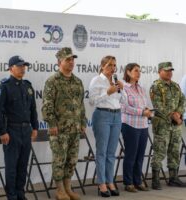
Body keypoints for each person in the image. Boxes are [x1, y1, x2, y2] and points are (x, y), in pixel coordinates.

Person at [42, 47, 86, 200]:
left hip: (74, 128)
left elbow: (81, 105)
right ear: (59, 62)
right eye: (68, 59)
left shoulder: (77, 81)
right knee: (59, 159)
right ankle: (59, 189)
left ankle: (68, 187)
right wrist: (52, 123)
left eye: (72, 59)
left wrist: (83, 122)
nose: (71, 62)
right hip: (59, 129)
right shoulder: (52, 81)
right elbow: (47, 105)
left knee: (72, 159)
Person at [0, 55, 38, 200]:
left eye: (24, 66)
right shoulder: (4, 87)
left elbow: (33, 109)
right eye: (19, 66)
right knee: (11, 167)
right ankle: (11, 195)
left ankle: (20, 193)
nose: (22, 69)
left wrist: (35, 127)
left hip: (26, 130)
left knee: (23, 165)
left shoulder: (28, 86)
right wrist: (3, 132)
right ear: (11, 68)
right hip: (11, 130)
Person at [89, 55, 123, 197]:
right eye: (109, 65)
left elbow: (122, 100)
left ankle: (110, 181)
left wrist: (121, 89)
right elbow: (92, 100)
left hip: (117, 115)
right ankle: (101, 183)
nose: (112, 68)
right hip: (102, 115)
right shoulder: (96, 80)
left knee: (111, 153)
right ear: (102, 66)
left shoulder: (115, 80)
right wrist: (107, 92)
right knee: (102, 152)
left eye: (114, 65)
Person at [149, 61, 186, 189]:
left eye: (170, 70)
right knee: (159, 152)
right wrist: (172, 115)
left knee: (174, 151)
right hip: (163, 124)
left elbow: (183, 100)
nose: (169, 73)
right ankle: (155, 180)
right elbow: (157, 105)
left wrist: (179, 113)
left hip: (175, 125)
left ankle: (173, 178)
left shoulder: (176, 86)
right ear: (160, 71)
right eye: (166, 70)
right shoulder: (156, 86)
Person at [121, 63, 152, 192]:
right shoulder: (123, 87)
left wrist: (148, 111)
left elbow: (145, 104)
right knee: (131, 154)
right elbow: (124, 107)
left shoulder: (141, 88)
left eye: (140, 71)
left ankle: (138, 181)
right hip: (130, 125)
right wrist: (141, 112)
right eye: (135, 70)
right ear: (128, 72)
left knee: (140, 155)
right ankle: (128, 183)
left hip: (143, 125)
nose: (138, 73)